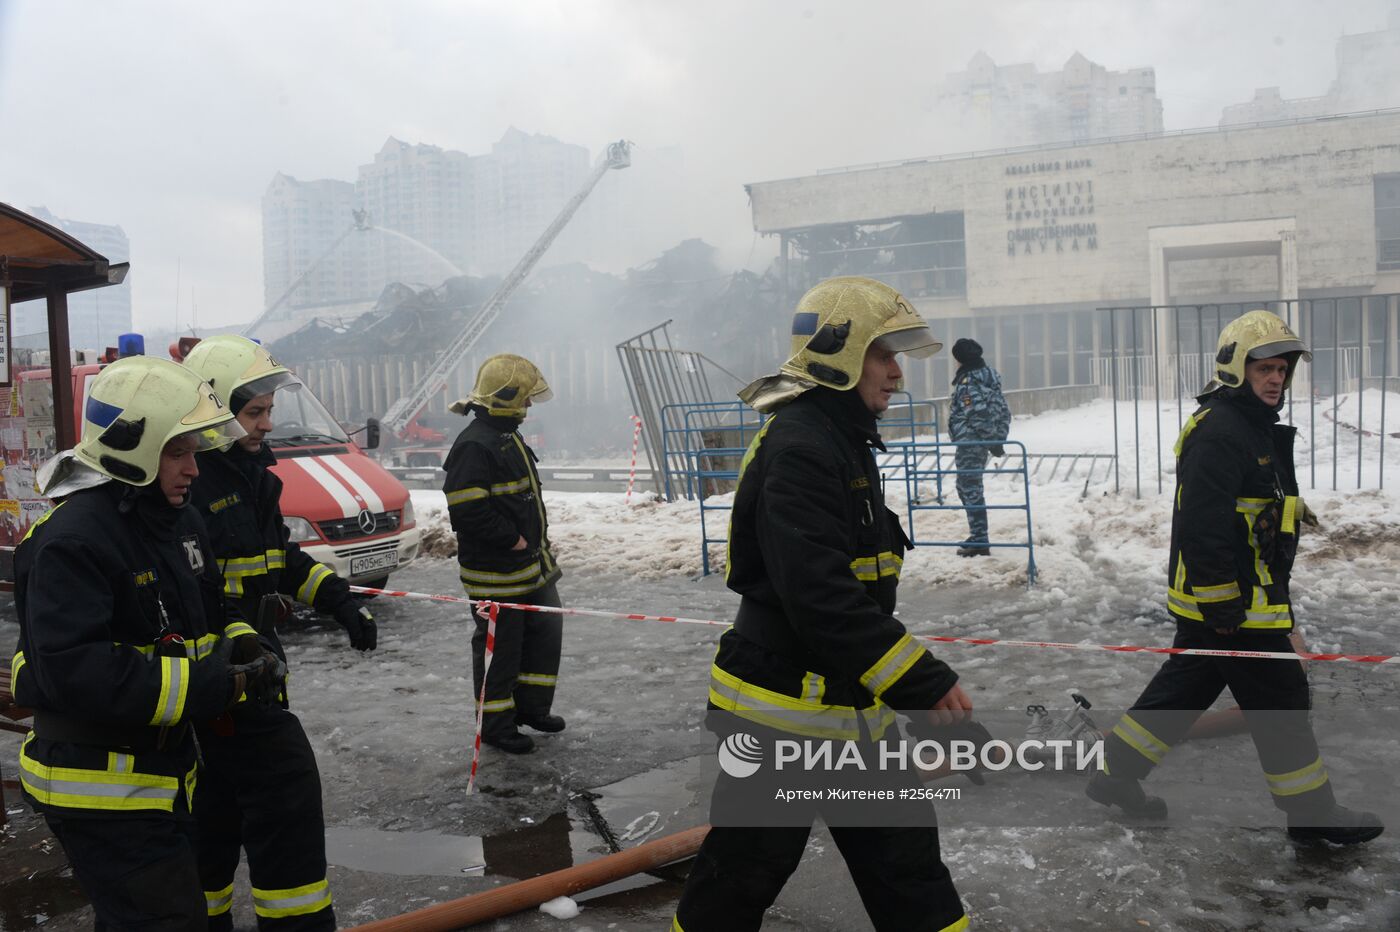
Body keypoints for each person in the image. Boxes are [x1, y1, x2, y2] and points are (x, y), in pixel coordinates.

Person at [672, 276, 973, 932]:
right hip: (780, 719)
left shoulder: (837, 440)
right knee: (736, 884)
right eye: (883, 355)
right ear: (839, 353)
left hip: (846, 711)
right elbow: (821, 598)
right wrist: (922, 684)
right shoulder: (802, 447)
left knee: (912, 875)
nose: (897, 373)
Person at [1088, 309, 1383, 845]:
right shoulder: (1221, 431)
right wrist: (1223, 605)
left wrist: (1290, 511)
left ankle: (1113, 775)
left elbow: (1246, 503)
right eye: (1264, 368)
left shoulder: (1247, 425)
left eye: (1282, 369)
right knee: (1281, 700)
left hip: (1231, 601)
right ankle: (1312, 814)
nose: (1275, 379)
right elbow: (1204, 526)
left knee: (1181, 693)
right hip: (1235, 604)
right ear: (1235, 369)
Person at [9, 356, 270, 929]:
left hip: (157, 776)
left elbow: (209, 609)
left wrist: (244, 642)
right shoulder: (70, 542)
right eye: (177, 452)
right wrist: (201, 686)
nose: (194, 469)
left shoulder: (174, 520)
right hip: (96, 789)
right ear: (132, 447)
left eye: (195, 451)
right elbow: (73, 670)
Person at [182, 334, 377, 930]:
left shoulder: (250, 477)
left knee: (214, 813)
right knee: (253, 802)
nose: (267, 425)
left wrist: (339, 599)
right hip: (220, 678)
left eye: (269, 411)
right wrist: (243, 636)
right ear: (216, 415)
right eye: (255, 412)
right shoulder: (193, 489)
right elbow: (202, 593)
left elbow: (280, 558)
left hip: (255, 669)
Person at [443, 353, 564, 755]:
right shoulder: (474, 445)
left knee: (545, 636)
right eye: (524, 399)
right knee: (501, 649)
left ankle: (531, 709)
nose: (529, 406)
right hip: (498, 573)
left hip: (530, 568)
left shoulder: (505, 434)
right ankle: (496, 724)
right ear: (505, 397)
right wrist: (511, 539)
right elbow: (466, 509)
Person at [946, 337, 1010, 557]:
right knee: (967, 487)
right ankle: (977, 535)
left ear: (960, 359)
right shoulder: (988, 379)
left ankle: (980, 539)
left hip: (970, 442)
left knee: (970, 488)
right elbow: (1003, 410)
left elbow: (978, 414)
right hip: (976, 442)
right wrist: (997, 439)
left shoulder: (969, 382)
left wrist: (992, 442)